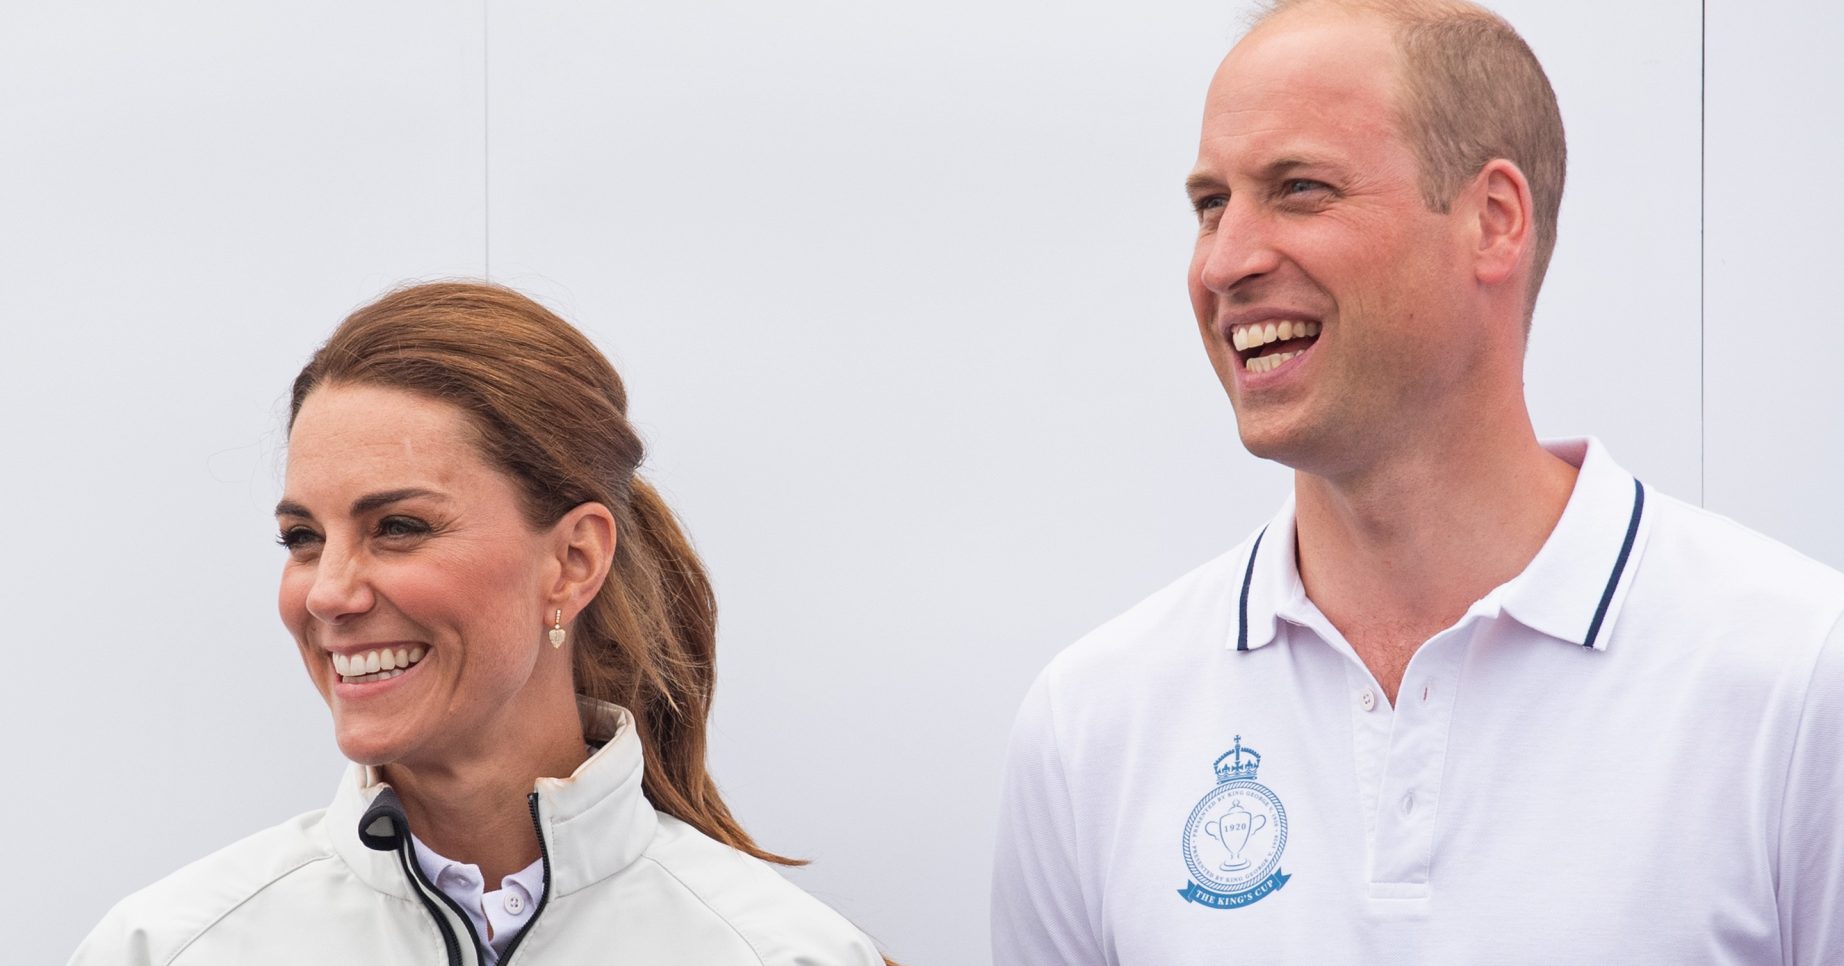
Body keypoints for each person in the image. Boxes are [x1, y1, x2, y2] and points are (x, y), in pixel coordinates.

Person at [990, 1, 1844, 963]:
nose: (1225, 262)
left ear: (1493, 222)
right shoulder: (1093, 724)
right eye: (1211, 204)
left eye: (1300, 189)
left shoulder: (1799, 681)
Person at [70, 282, 891, 966]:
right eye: (303, 539)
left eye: (398, 527)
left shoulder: (782, 953)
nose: (327, 594)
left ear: (572, 560)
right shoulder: (166, 948)